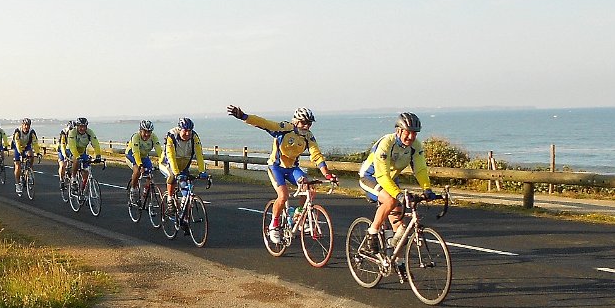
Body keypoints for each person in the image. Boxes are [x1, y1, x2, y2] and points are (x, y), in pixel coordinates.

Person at [227, 105, 338, 244]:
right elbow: (264, 123)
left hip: (292, 168)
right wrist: (243, 116)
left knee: (308, 186)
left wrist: (327, 174)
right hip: (276, 167)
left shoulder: (308, 136)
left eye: (309, 123)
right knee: (283, 195)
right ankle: (274, 225)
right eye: (304, 122)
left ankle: (299, 214)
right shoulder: (284, 128)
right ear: (296, 121)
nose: (307, 126)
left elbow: (316, 156)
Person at [358, 112, 438, 255]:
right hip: (371, 177)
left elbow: (420, 169)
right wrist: (398, 195)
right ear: (399, 130)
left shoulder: (416, 146)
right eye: (408, 133)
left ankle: (398, 262)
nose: (411, 137)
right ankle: (372, 232)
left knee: (400, 230)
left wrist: (427, 189)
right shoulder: (387, 143)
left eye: (415, 133)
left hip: (391, 180)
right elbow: (382, 175)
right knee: (390, 200)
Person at [159, 117, 207, 201]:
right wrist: (177, 174)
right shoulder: (171, 136)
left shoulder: (194, 137)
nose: (188, 133)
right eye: (185, 130)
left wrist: (202, 171)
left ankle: (185, 208)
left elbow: (199, 154)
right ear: (180, 129)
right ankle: (169, 199)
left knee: (187, 193)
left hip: (183, 166)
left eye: (190, 131)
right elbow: (171, 157)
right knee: (172, 176)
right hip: (167, 164)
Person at [125, 120, 163, 202]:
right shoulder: (136, 137)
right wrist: (140, 165)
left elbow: (159, 150)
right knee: (137, 171)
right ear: (140, 130)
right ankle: (133, 189)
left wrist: (164, 161)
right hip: (132, 155)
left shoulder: (153, 137)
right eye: (145, 131)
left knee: (150, 174)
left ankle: (146, 191)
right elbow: (136, 153)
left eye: (149, 132)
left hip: (144, 156)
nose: (147, 134)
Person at [67, 117, 102, 189]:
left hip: (82, 152)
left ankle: (82, 190)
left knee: (86, 171)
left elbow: (95, 144)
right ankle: (73, 178)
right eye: (80, 126)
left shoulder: (89, 132)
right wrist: (77, 156)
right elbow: (72, 146)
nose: (82, 128)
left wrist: (98, 155)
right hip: (71, 150)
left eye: (84, 126)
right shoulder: (72, 132)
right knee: (76, 160)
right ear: (77, 126)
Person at [11, 118, 40, 195]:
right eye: (25, 125)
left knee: (31, 155)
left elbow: (35, 143)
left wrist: (38, 152)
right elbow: (17, 142)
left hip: (27, 146)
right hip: (18, 146)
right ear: (22, 125)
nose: (26, 127)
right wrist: (20, 153)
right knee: (18, 166)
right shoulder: (18, 131)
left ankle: (29, 170)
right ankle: (17, 184)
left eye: (28, 125)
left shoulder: (32, 132)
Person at [57, 120, 75, 190]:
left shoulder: (76, 132)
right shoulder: (64, 132)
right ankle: (61, 180)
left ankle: (73, 179)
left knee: (74, 163)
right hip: (61, 148)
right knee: (63, 165)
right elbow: (62, 144)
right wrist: (64, 155)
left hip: (70, 148)